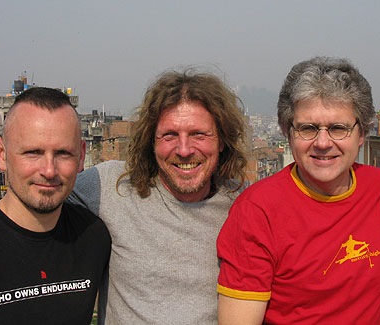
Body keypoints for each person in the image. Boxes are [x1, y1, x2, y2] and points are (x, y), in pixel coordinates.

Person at [217, 57, 380, 324]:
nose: (323, 143)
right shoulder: (258, 209)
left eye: (338, 128)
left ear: (362, 135)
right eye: (308, 128)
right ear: (289, 134)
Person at [68, 70, 248, 323]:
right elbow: (38, 203)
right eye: (169, 135)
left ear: (221, 140)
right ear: (151, 142)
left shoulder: (246, 205)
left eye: (199, 134)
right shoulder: (111, 187)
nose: (184, 150)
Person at [0, 87, 111, 323]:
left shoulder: (94, 238)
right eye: (33, 152)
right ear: (1, 154)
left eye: (63, 153)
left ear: (81, 156)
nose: (49, 170)